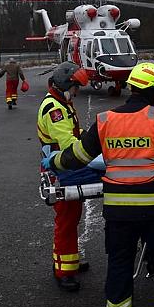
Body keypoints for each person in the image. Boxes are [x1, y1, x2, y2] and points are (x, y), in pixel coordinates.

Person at [43, 62, 154, 307]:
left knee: (120, 261)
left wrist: (53, 162)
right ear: (153, 91)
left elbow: (78, 156)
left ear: (133, 87)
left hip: (118, 209)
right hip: (153, 206)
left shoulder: (105, 120)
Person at [37, 61, 89, 291]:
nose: (77, 92)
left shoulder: (61, 103)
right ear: (67, 84)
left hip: (66, 167)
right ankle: (63, 272)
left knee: (72, 215)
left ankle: (70, 261)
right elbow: (67, 144)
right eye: (76, 87)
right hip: (61, 169)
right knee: (66, 219)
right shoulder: (54, 110)